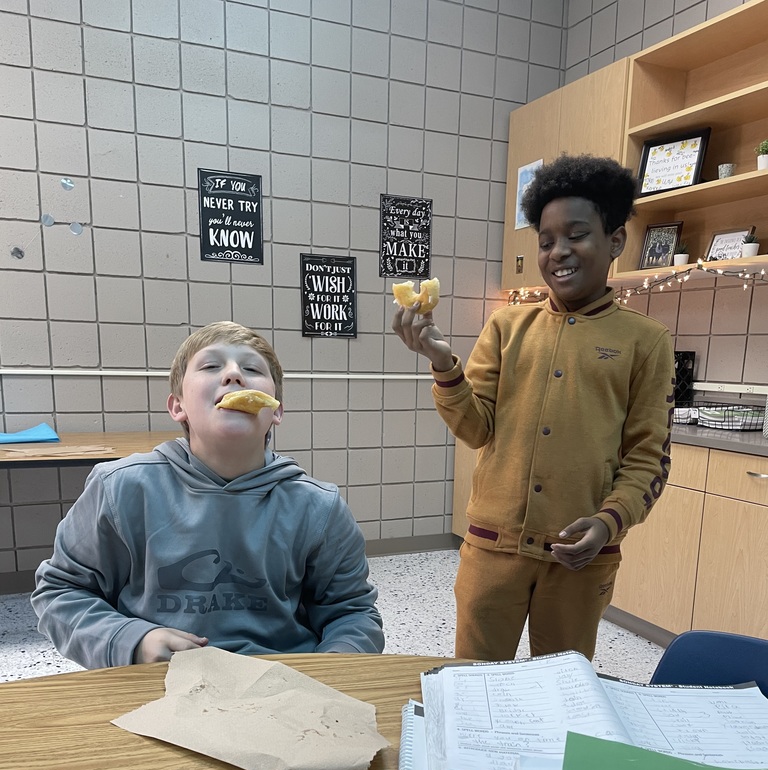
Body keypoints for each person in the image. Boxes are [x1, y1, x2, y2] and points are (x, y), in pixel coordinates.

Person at [392, 154, 675, 662]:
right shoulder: (507, 327)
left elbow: (648, 458)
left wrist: (609, 522)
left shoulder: (646, 341)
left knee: (562, 689)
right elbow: (475, 428)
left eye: (576, 235)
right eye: (546, 241)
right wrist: (442, 363)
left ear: (615, 241)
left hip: (578, 558)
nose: (558, 252)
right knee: (474, 681)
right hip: (490, 550)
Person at [33, 322, 384, 668]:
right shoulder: (120, 488)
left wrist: (339, 665)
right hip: (155, 682)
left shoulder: (319, 508)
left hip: (283, 681)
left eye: (251, 369)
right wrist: (131, 640)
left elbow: (352, 613)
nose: (233, 375)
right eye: (211, 366)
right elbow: (61, 593)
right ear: (177, 407)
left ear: (275, 410)